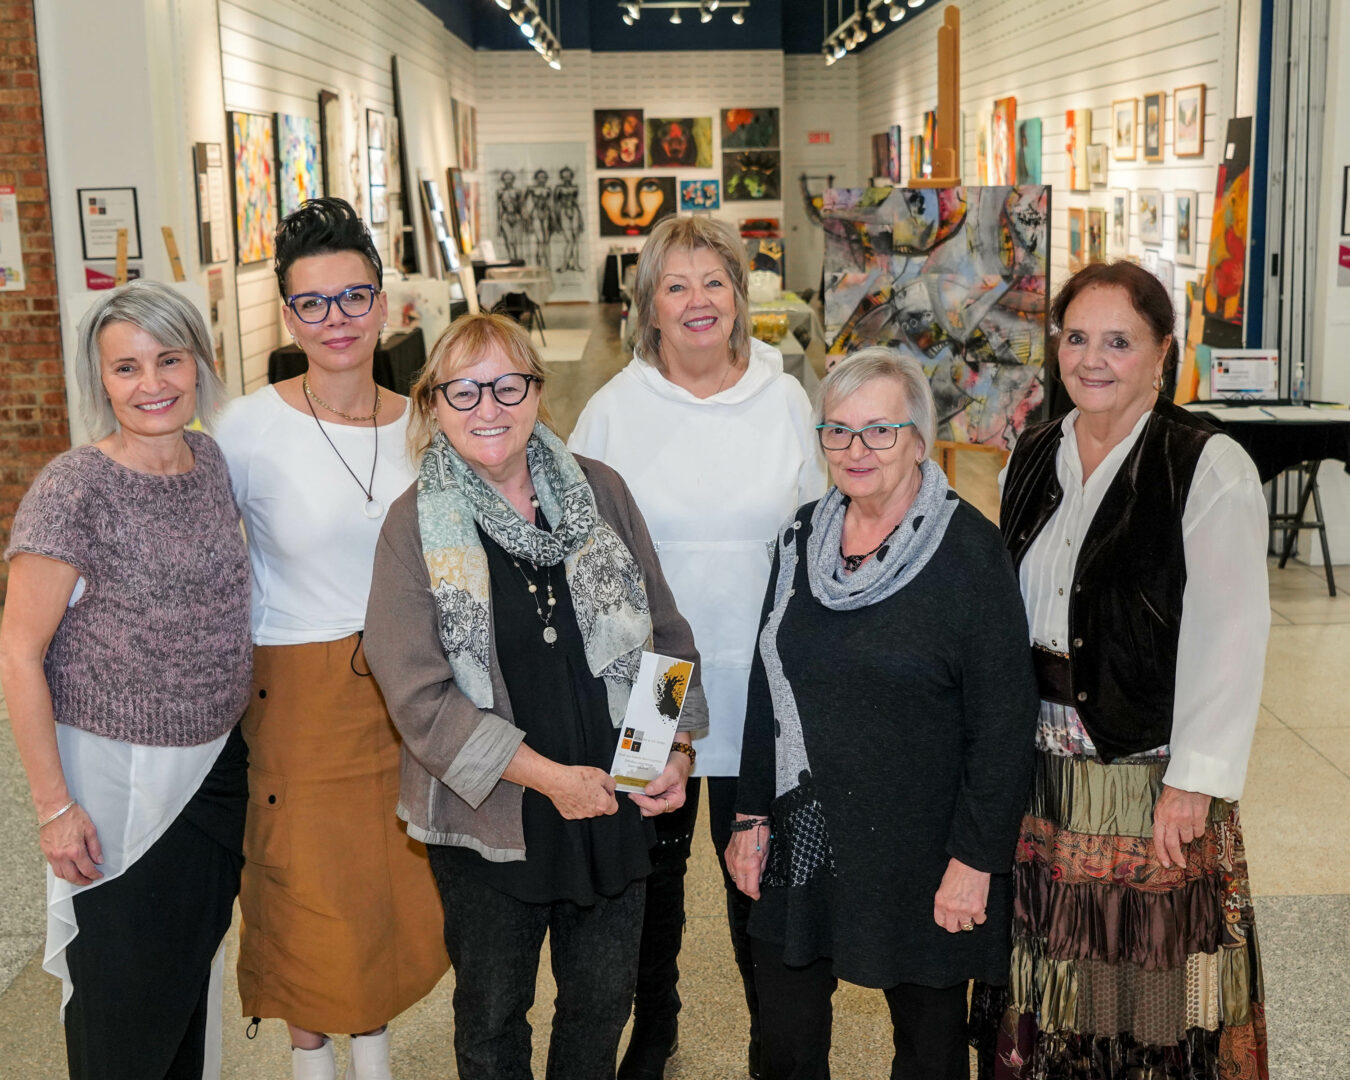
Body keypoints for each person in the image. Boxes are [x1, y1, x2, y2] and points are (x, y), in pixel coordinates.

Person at [362, 313, 707, 1080]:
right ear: (433, 405)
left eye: (507, 384)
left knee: (600, 1004)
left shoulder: (602, 493)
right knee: (491, 1018)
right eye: (464, 389)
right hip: (492, 814)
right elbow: (418, 696)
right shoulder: (412, 526)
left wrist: (670, 752)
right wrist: (550, 779)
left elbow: (665, 637)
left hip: (611, 802)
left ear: (536, 393)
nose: (488, 406)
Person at [971, 261, 1270, 1077]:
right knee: (1054, 975)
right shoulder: (1031, 452)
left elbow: (1232, 629)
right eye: (1076, 338)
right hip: (1042, 775)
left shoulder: (1204, 465)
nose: (1092, 360)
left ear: (1163, 352)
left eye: (1119, 341)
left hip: (1148, 775)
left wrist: (1194, 779)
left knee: (1143, 986)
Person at [727, 347, 1039, 1080]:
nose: (855, 450)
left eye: (879, 431)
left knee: (929, 1048)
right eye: (837, 431)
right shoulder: (801, 539)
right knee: (787, 1040)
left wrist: (975, 860)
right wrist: (748, 817)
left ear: (919, 441)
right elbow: (768, 685)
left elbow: (1002, 722)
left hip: (923, 848)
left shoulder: (969, 553)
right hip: (806, 832)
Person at [570, 212, 824, 1079]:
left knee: (766, 879)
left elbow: (822, 538)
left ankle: (776, 1039)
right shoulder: (612, 412)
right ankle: (657, 1030)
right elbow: (584, 561)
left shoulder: (787, 400)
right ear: (648, 307)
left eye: (713, 281)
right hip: (658, 686)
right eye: (675, 285)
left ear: (740, 296)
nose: (697, 301)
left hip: (767, 685)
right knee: (652, 885)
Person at [213, 198, 447, 1080]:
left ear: (384, 302)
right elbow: (193, 556)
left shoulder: (431, 420)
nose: (336, 320)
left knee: (395, 885)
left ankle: (376, 1063)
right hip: (300, 696)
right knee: (308, 893)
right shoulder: (247, 429)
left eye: (353, 297)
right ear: (286, 313)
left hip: (412, 691)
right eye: (313, 302)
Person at [0, 280, 251, 1078]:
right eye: (126, 368)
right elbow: (16, 652)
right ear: (99, 381)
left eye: (169, 360)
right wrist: (53, 809)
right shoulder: (74, 490)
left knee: (184, 994)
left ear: (199, 363)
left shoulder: (209, 459)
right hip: (118, 785)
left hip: (213, 776)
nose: (152, 386)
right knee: (122, 1013)